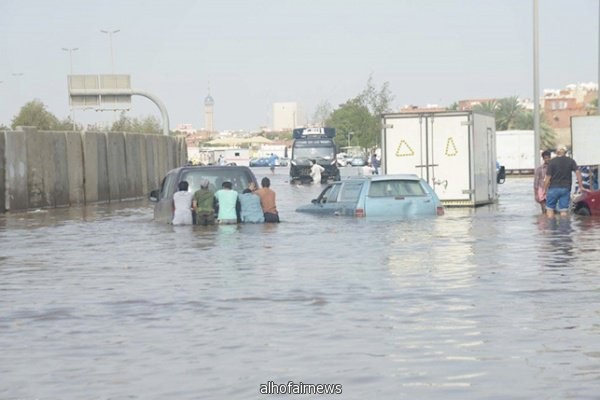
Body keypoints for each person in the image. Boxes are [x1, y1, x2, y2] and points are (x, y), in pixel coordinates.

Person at [543, 145, 586, 218]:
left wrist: (545, 190)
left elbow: (548, 177)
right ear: (565, 152)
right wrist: (581, 186)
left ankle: (551, 228)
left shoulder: (552, 162)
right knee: (564, 210)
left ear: (557, 152)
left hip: (553, 188)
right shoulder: (571, 161)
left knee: (550, 209)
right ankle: (564, 227)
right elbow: (578, 173)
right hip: (565, 189)